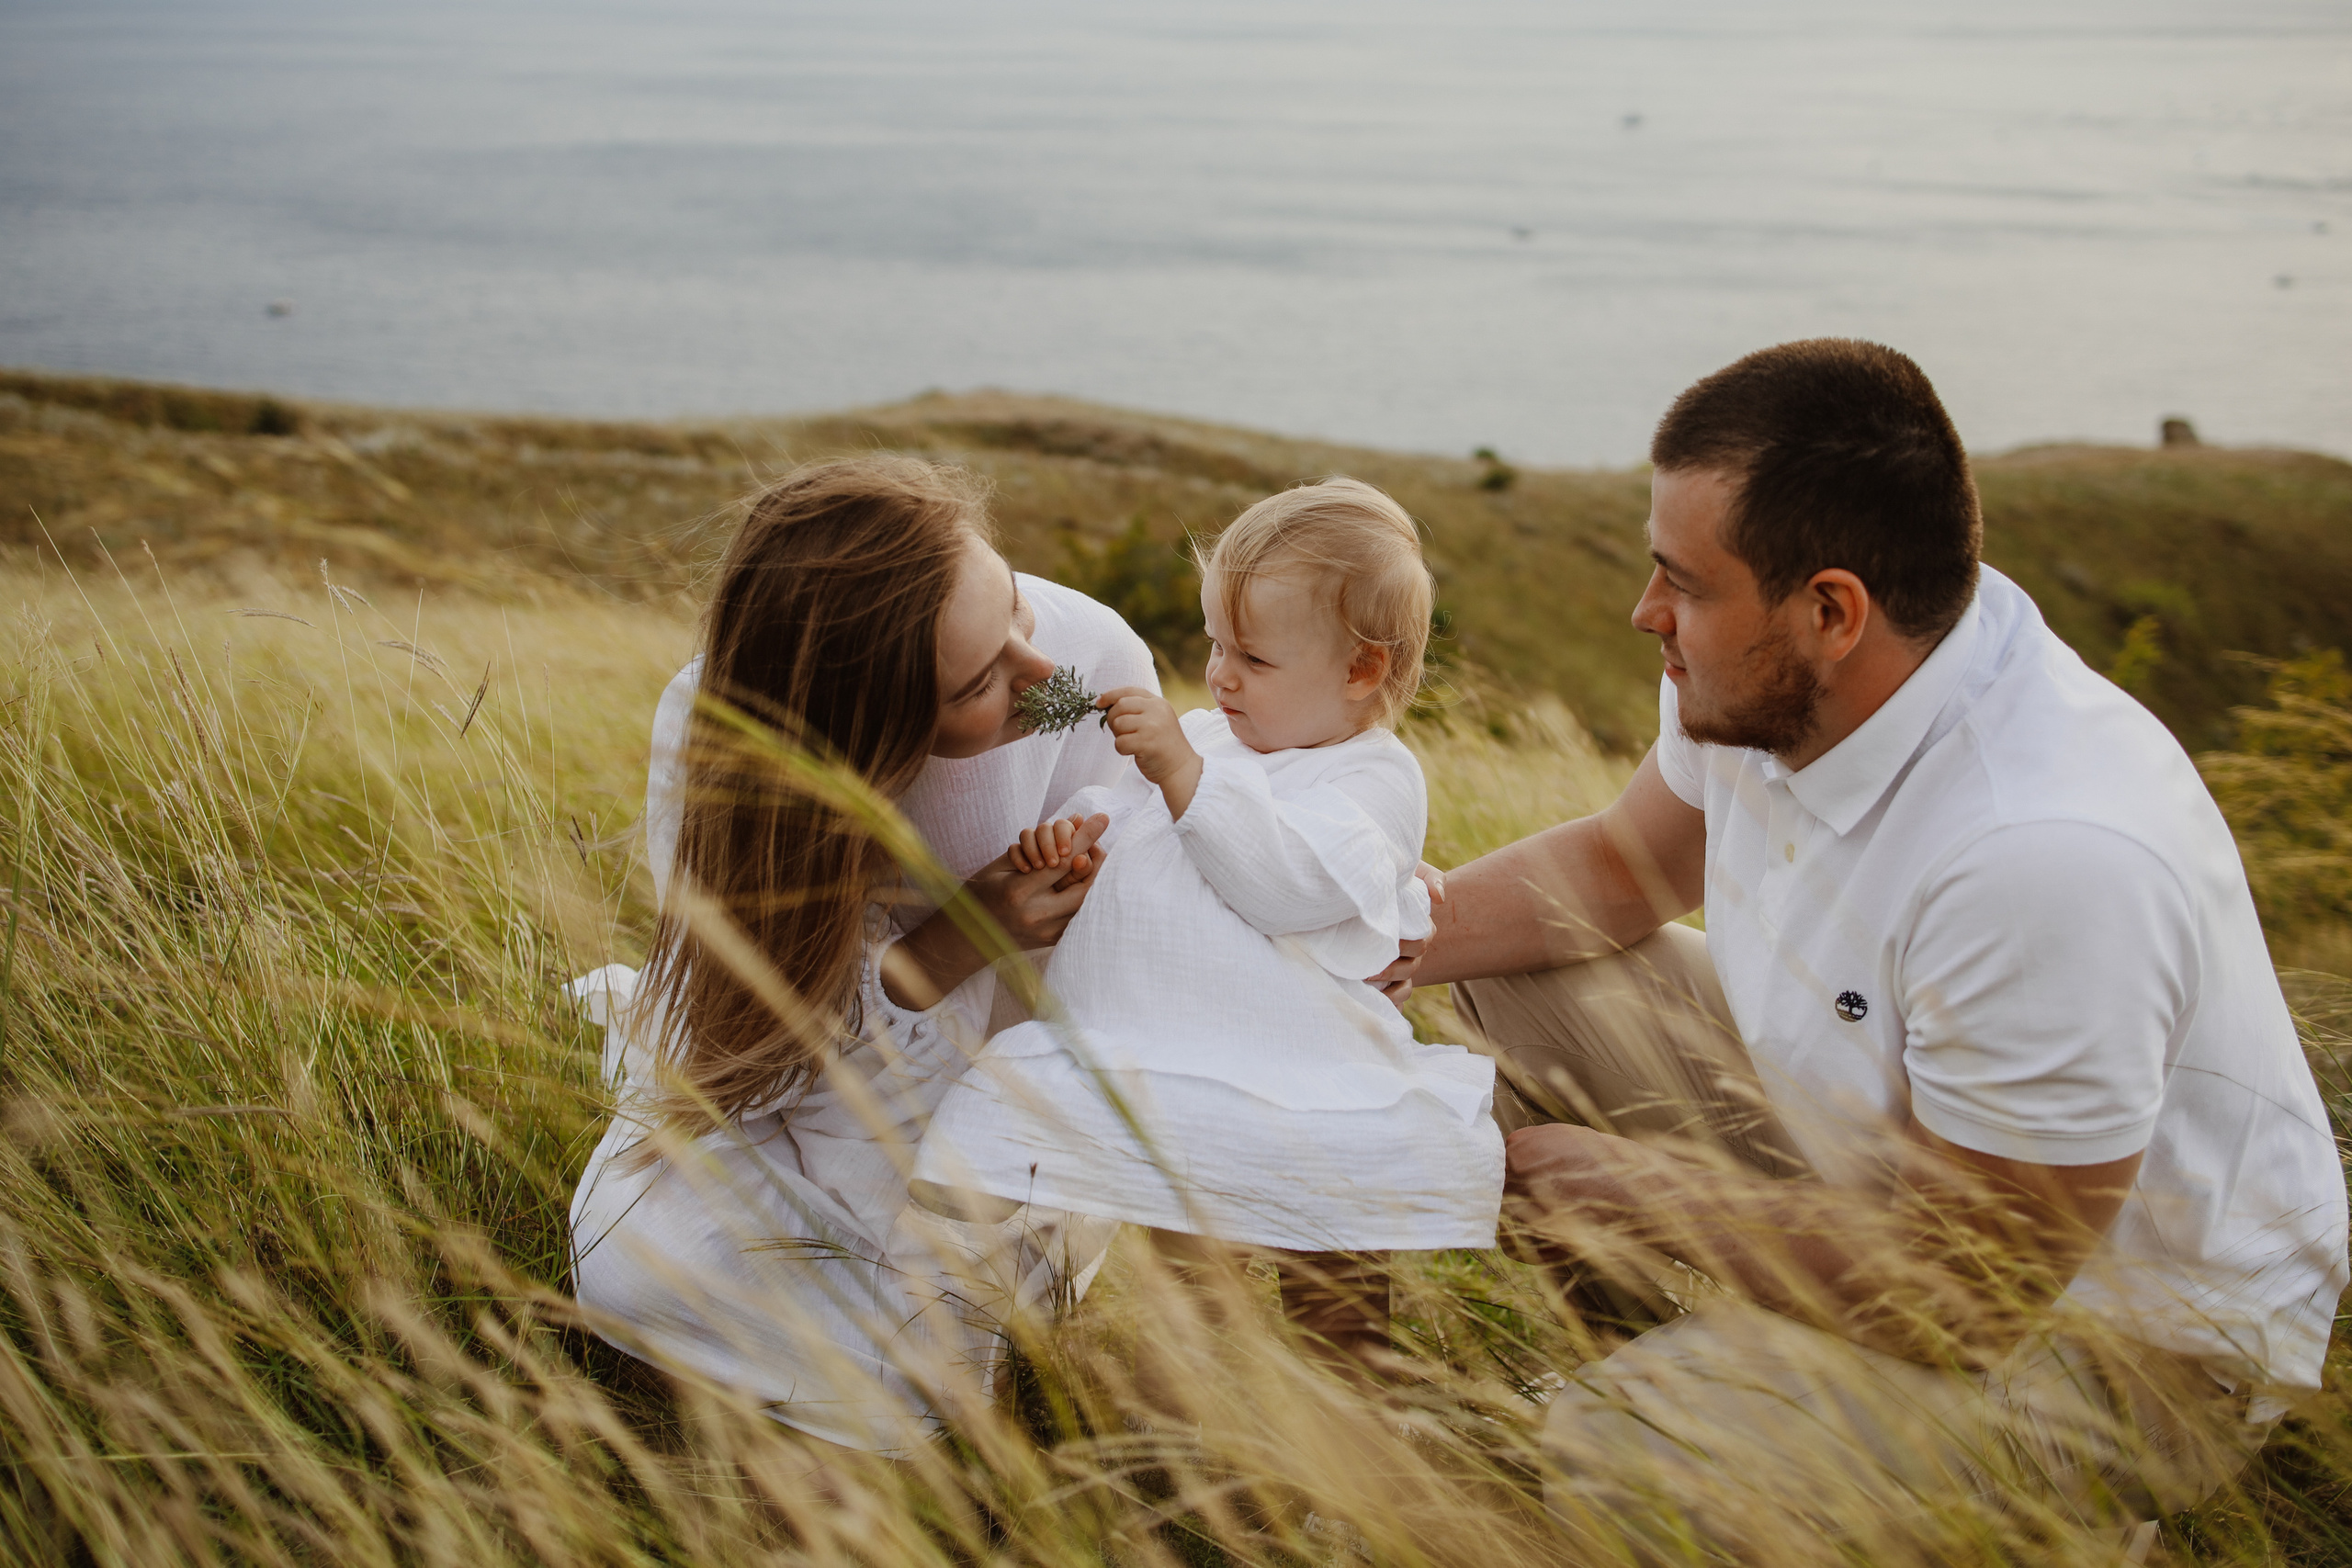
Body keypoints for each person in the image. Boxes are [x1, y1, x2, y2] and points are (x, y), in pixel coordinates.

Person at [1387, 340, 2349, 1548]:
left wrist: (1651, 1198)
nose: (1647, 615)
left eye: (1681, 583)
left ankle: (1783, 1452)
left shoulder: (2044, 855)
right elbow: (1620, 867)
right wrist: (1372, 939)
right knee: (1511, 991)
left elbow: (1971, 1294)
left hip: (2109, 1331)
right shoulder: (1773, 677)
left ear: (1831, 608)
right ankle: (1705, 1364)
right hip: (1889, 1170)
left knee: (1610, 1458)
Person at [566, 454, 1155, 1459]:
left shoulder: (1076, 666)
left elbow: (1155, 887)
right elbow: (757, 1054)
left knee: (928, 1332)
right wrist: (969, 932)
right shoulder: (728, 743)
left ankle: (872, 1363)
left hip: (1008, 1113)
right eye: (975, 683)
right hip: (802, 1089)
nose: (1038, 673)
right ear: (868, 736)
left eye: (1014, 606)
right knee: (627, 1258)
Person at [912, 479, 1504, 1377]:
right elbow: (1132, 828)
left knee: (1333, 1283)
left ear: (1360, 671)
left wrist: (1186, 772)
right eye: (1215, 645)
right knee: (1187, 1286)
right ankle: (1190, 1442)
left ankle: (1357, 1451)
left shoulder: (1373, 776)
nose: (1220, 674)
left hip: (1307, 1079)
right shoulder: (1210, 738)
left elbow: (1287, 886)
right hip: (1179, 1063)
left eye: (1254, 660)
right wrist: (1072, 839)